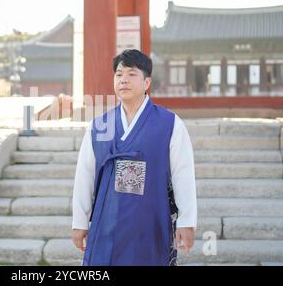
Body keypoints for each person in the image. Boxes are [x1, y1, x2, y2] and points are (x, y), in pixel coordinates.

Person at [71, 49, 197, 266]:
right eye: (119, 74)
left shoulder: (169, 124)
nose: (123, 80)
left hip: (150, 222)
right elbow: (85, 176)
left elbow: (183, 175)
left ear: (147, 82)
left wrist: (187, 222)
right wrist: (79, 221)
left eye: (131, 74)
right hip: (106, 223)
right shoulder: (99, 126)